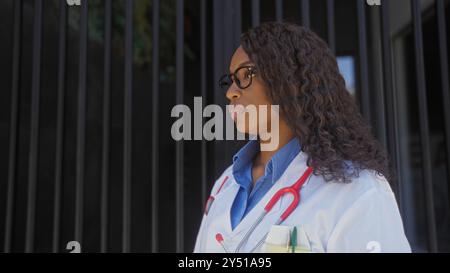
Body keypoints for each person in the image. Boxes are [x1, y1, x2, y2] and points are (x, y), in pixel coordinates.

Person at [194, 22, 411, 253]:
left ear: (290, 79)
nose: (230, 92)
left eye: (246, 74)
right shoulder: (224, 185)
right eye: (229, 81)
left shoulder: (358, 190)